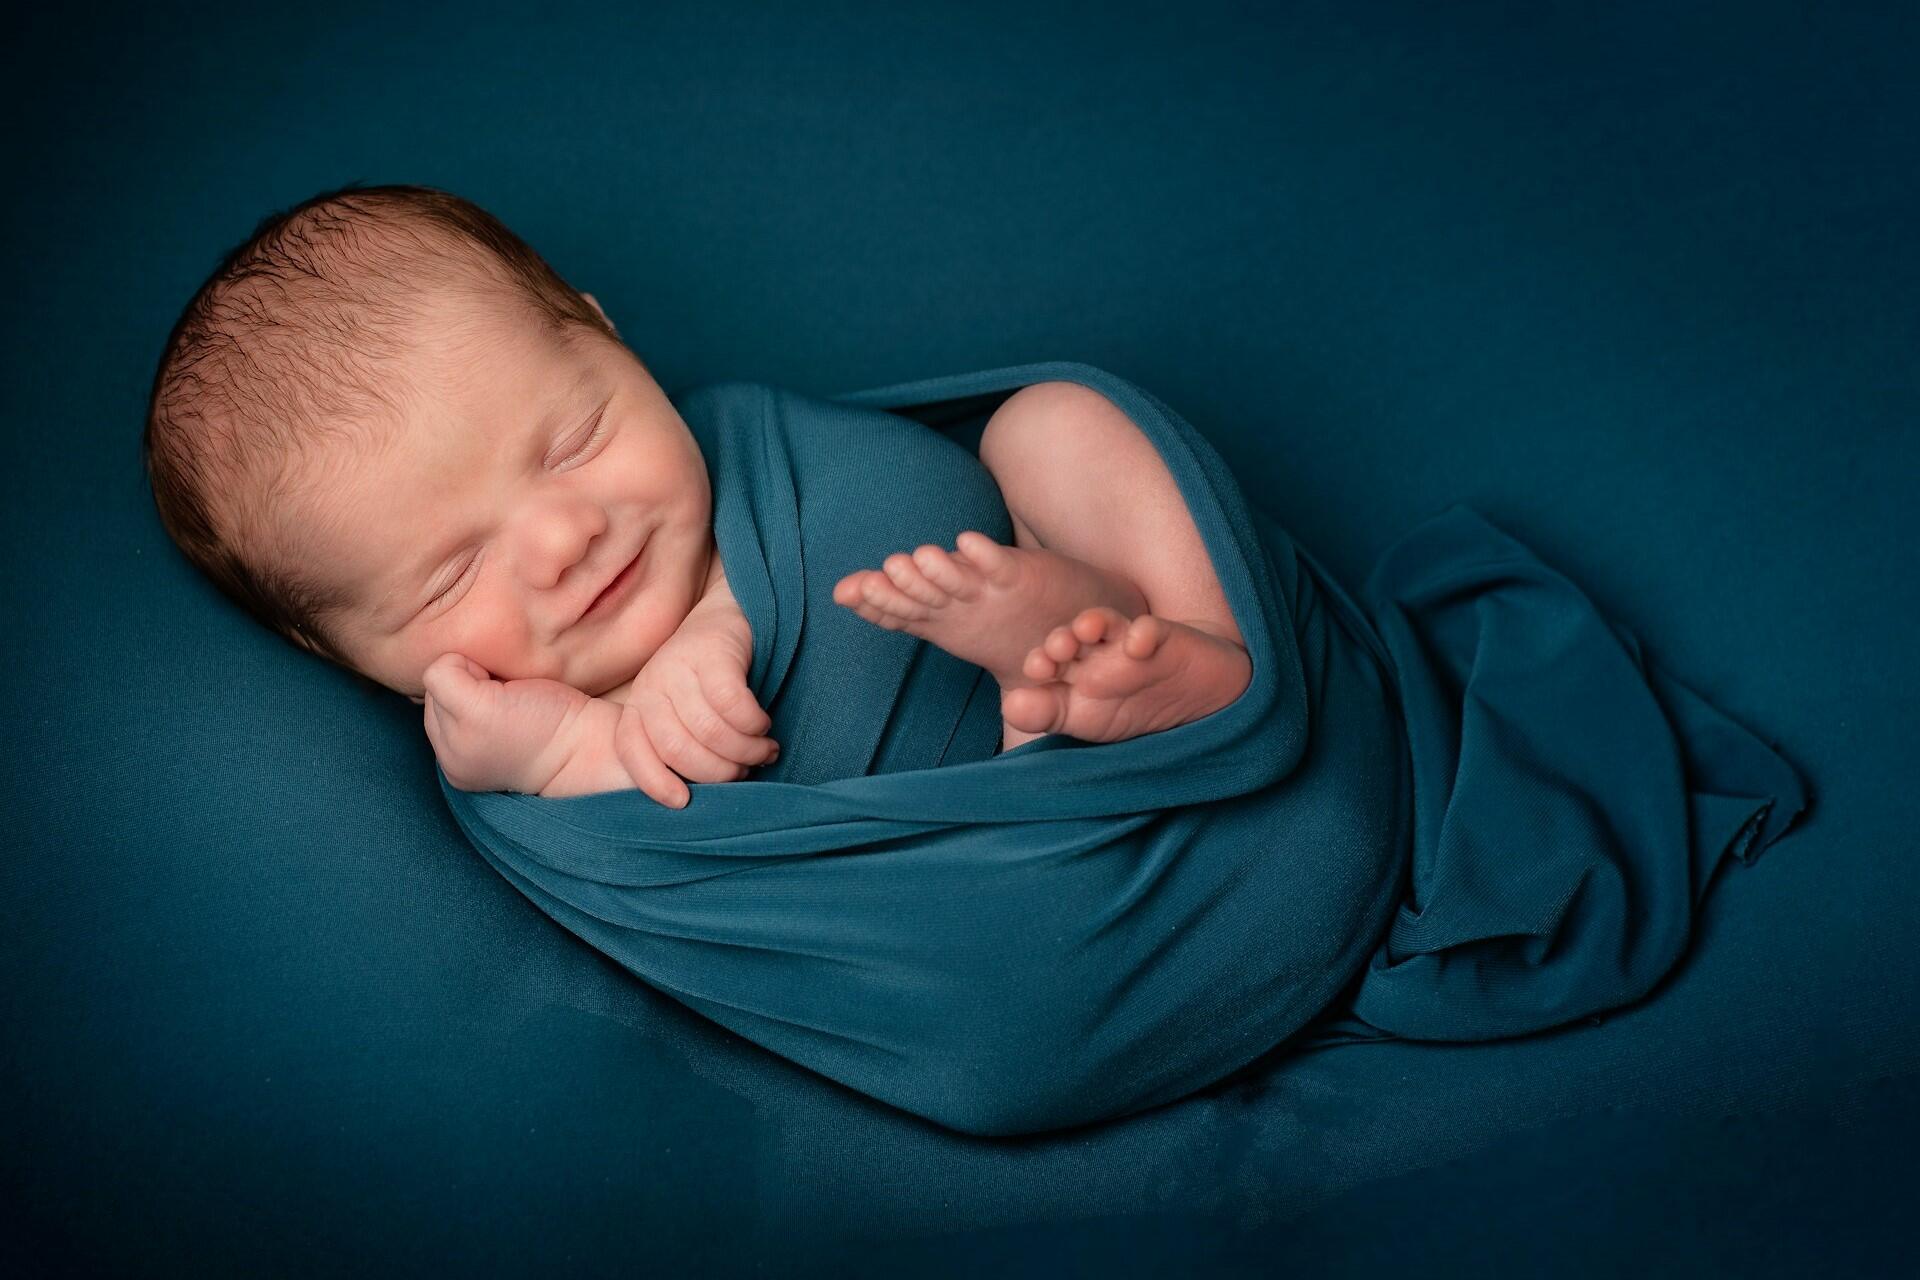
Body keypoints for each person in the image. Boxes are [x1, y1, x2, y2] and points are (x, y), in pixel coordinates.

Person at [144, 183, 1250, 806]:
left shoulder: (749, 447)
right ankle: (1060, 712)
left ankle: (1186, 648)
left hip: (1003, 628)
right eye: (454, 570)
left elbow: (901, 492)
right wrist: (575, 749)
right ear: (339, 654)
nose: (565, 538)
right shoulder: (506, 741)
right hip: (971, 875)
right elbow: (675, 882)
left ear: (605, 333)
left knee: (1051, 425)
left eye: (574, 438)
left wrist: (726, 616)